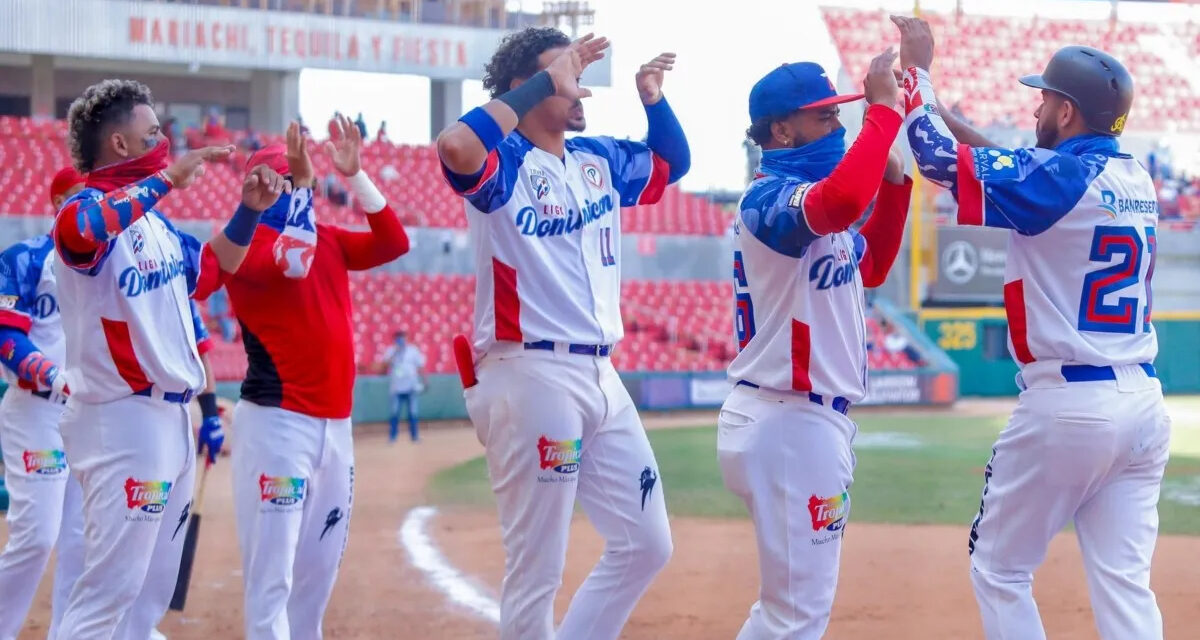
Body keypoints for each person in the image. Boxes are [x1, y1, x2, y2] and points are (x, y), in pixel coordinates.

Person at [894, 16, 1168, 640]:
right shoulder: (1133, 178)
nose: (1036, 104)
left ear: (1067, 113)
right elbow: (1013, 165)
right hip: (1141, 403)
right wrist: (950, 115)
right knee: (1125, 584)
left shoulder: (1058, 180)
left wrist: (917, 77)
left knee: (999, 568)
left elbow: (940, 160)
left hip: (1069, 404)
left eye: (1044, 97)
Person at [436, 27, 690, 640]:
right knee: (537, 569)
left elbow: (671, 163)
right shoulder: (502, 164)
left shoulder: (596, 158)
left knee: (647, 542)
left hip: (603, 372)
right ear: (529, 87)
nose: (579, 88)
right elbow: (456, 146)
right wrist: (544, 81)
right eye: (565, 77)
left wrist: (652, 98)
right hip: (530, 372)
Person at [50, 78, 285, 639]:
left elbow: (207, 272)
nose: (165, 139)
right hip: (123, 419)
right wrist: (170, 178)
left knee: (148, 596)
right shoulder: (85, 206)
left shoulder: (155, 223)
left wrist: (249, 212)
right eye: (152, 130)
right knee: (107, 596)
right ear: (121, 146)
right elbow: (79, 235)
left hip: (170, 419)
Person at [718, 50, 910, 640]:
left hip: (799, 423)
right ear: (781, 130)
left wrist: (897, 186)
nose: (837, 126)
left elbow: (870, 263)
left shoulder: (808, 205)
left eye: (837, 115)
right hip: (789, 421)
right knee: (796, 616)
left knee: (786, 612)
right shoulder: (770, 199)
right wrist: (882, 114)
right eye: (823, 117)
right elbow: (844, 203)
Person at [224, 116, 409, 640]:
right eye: (284, 179)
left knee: (316, 580)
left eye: (296, 177)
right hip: (277, 427)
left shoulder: (326, 238)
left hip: (336, 428)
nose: (290, 187)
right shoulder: (244, 247)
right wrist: (304, 187)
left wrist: (355, 177)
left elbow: (393, 242)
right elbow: (294, 264)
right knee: (272, 584)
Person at [0, 168, 86, 640]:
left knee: (81, 541)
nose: (84, 205)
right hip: (37, 410)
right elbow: (4, 331)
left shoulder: (107, 263)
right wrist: (46, 371)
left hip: (89, 416)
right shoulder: (26, 257)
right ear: (57, 205)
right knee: (36, 538)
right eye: (74, 197)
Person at [382, 330, 425, 442]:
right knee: (394, 413)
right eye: (399, 338)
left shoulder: (413, 350)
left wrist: (425, 380)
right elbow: (384, 366)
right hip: (397, 388)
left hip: (411, 386)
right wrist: (395, 352)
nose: (401, 340)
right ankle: (392, 437)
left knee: (413, 413)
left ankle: (414, 437)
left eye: (403, 337)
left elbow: (420, 365)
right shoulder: (391, 350)